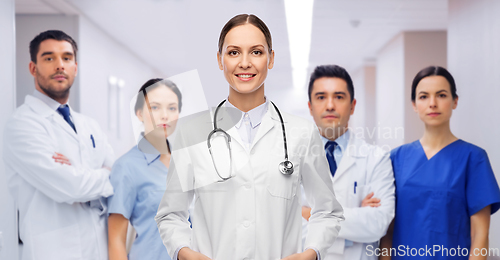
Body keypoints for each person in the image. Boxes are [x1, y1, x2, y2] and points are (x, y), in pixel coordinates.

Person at [155, 14, 344, 260]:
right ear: (220, 60)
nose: (245, 63)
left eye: (256, 52)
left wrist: (311, 252)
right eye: (233, 52)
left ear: (271, 58)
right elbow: (170, 214)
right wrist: (183, 252)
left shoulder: (301, 133)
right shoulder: (192, 131)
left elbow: (328, 211)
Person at [3, 30, 114, 259]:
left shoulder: (90, 125)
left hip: (99, 250)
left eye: (66, 58)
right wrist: (102, 175)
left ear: (75, 67)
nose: (59, 65)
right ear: (33, 68)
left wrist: (79, 174)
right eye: (49, 58)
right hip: (53, 252)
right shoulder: (21, 125)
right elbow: (70, 187)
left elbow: (121, 177)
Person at [380, 66, 500, 259]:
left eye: (442, 95)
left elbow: (480, 234)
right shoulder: (396, 159)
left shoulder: (473, 159)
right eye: (424, 96)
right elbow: (387, 232)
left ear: (455, 101)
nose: (432, 103)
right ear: (414, 104)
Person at [302, 65, 395, 260]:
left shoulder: (376, 158)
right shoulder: (292, 160)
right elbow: (285, 224)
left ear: (352, 105)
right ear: (310, 107)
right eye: (321, 97)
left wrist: (311, 213)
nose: (330, 105)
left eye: (338, 97)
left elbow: (378, 223)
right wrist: (356, 216)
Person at [107, 78, 181, 260]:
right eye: (155, 107)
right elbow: (116, 240)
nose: (165, 116)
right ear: (139, 113)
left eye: (172, 108)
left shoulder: (187, 161)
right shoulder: (127, 167)